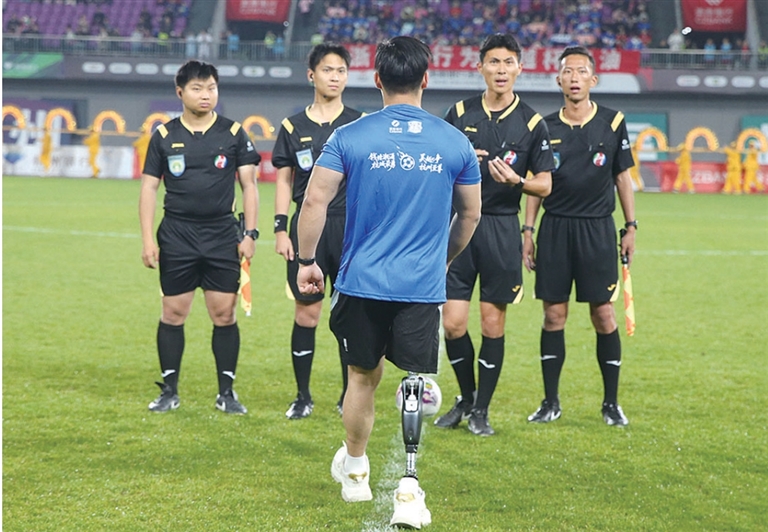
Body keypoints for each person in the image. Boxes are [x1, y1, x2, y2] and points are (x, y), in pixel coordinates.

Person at [296, 36, 481, 529]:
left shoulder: (349, 136)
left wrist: (307, 261)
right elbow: (470, 214)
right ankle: (409, 489)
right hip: (420, 284)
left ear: (376, 79)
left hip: (361, 281)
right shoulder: (454, 141)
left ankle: (356, 469)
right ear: (426, 79)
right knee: (414, 381)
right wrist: (441, 260)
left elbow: (314, 201)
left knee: (361, 377)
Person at [433, 33, 553, 437]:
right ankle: (466, 398)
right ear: (480, 66)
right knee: (452, 323)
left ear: (520, 67)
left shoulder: (532, 122)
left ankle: (481, 409)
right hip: (459, 226)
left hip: (501, 226)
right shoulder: (458, 113)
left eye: (508, 62)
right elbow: (437, 166)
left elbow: (545, 184)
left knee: (491, 323)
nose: (501, 70)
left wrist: (519, 181)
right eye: (494, 62)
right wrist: (461, 164)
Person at [522, 46, 636, 427]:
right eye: (567, 72)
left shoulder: (612, 122)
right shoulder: (544, 127)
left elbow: (622, 177)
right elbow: (538, 184)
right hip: (555, 228)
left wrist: (631, 226)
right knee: (553, 315)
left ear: (593, 79)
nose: (574, 78)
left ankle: (611, 403)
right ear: (558, 80)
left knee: (603, 314)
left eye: (581, 71)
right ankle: (550, 402)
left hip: (597, 229)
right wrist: (528, 231)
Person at [139, 60, 261, 414]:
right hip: (177, 234)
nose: (205, 95)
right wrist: (147, 240)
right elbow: (148, 188)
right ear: (180, 92)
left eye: (211, 88)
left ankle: (227, 393)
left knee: (224, 313)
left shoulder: (233, 133)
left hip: (222, 234)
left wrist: (250, 233)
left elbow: (250, 186)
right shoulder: (164, 136)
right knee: (173, 312)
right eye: (197, 88)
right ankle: (169, 391)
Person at [272, 43, 363, 419]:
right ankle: (302, 396)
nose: (335, 77)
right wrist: (280, 229)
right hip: (307, 227)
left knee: (349, 314)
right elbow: (283, 180)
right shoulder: (293, 126)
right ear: (312, 75)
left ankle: (347, 396)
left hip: (350, 227)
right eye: (328, 70)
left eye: (341, 70)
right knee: (306, 314)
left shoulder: (360, 123)